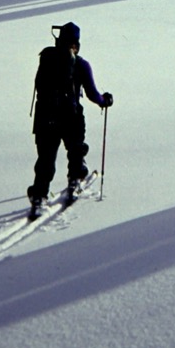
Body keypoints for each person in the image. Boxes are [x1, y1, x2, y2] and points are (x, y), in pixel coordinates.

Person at [28, 21, 111, 216]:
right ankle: (75, 181)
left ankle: (39, 196)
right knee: (75, 151)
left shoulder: (46, 58)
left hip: (44, 118)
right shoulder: (81, 65)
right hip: (70, 117)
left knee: (45, 160)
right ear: (76, 42)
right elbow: (92, 94)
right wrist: (104, 101)